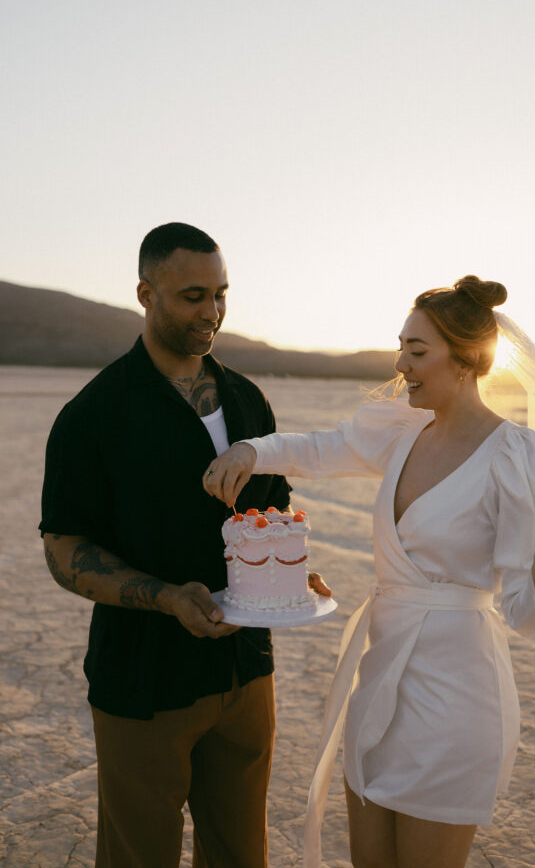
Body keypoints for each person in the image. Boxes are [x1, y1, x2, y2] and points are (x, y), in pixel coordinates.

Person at [203, 275, 535, 868]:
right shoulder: (403, 431)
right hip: (378, 676)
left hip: (456, 697)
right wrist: (250, 451)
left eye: (417, 351)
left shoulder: (516, 458)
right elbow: (319, 448)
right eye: (401, 347)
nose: (400, 363)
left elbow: (525, 615)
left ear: (467, 360)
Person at [40, 222, 327, 868]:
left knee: (239, 856)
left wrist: (291, 574)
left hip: (246, 671)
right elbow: (64, 549)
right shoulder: (95, 415)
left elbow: (271, 510)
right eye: (194, 295)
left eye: (221, 294)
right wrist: (167, 598)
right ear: (146, 294)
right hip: (144, 681)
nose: (213, 312)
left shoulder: (247, 400)